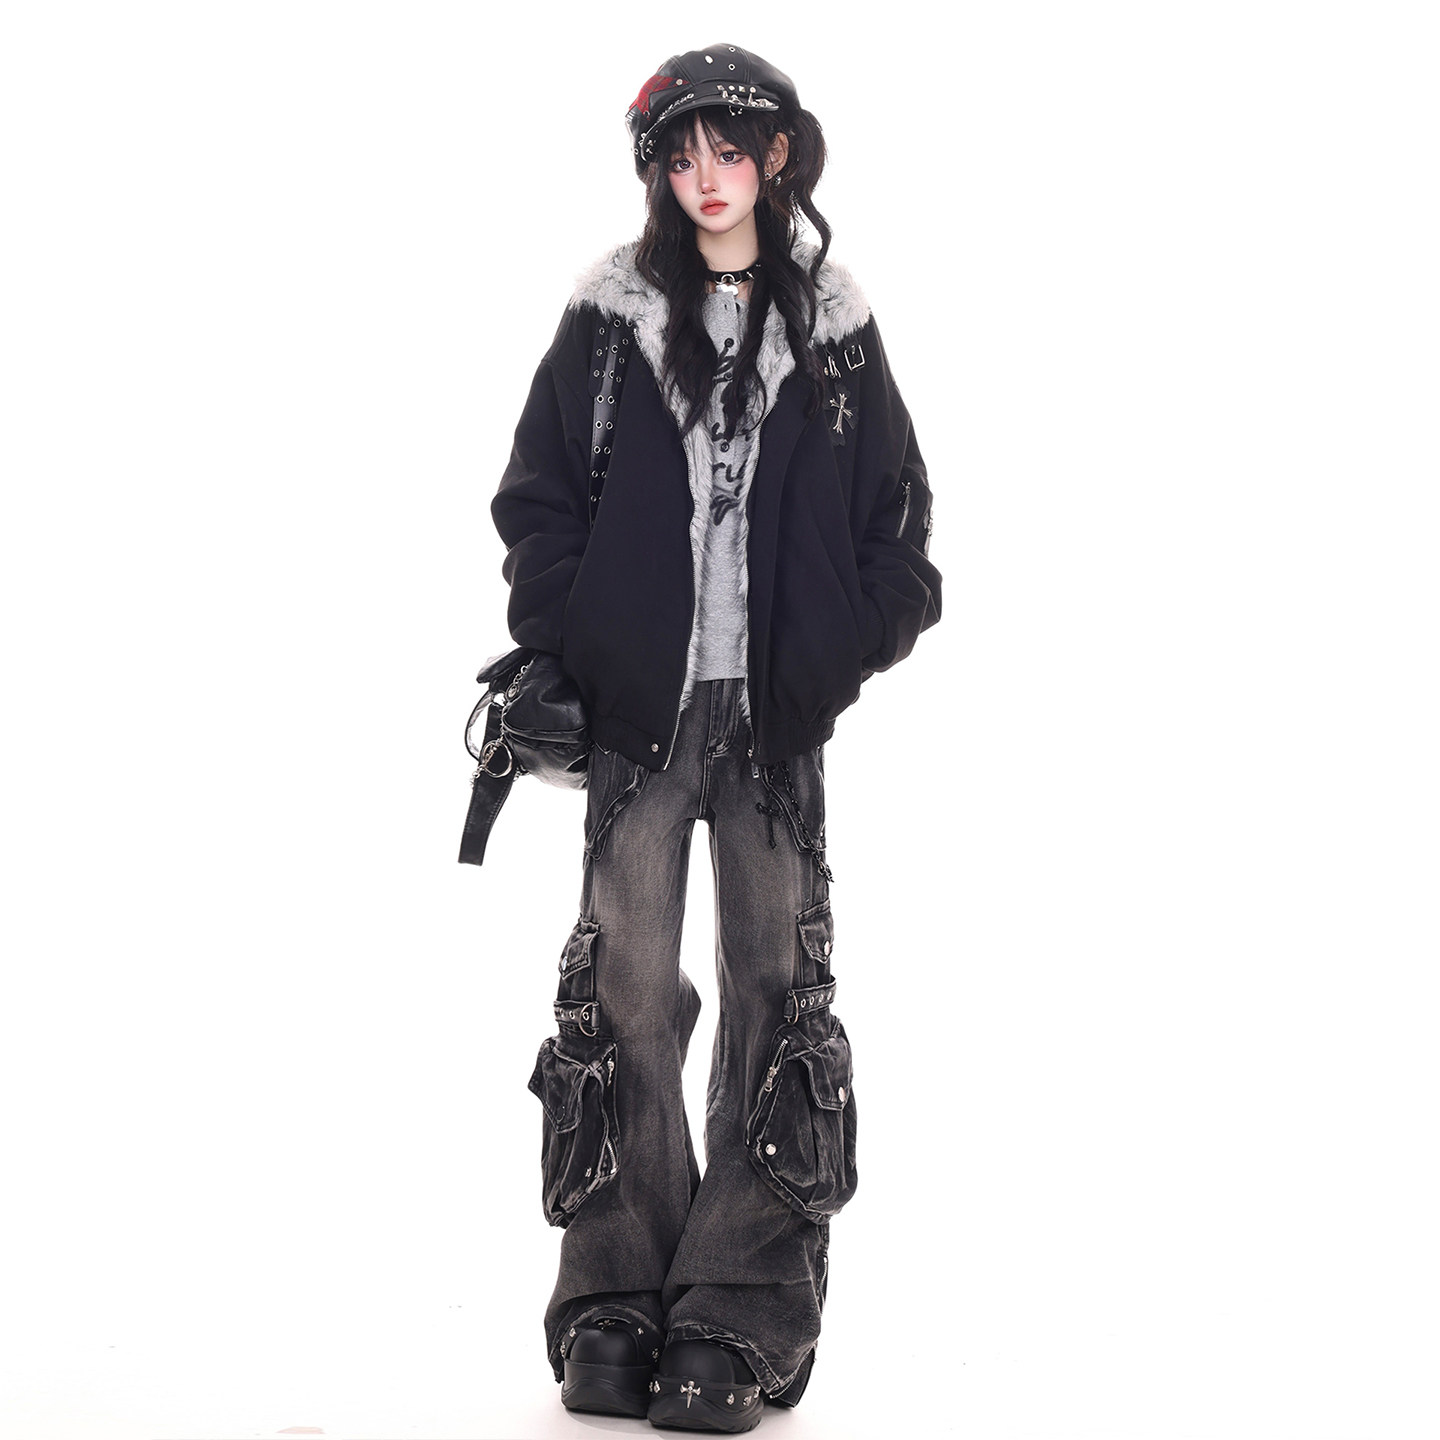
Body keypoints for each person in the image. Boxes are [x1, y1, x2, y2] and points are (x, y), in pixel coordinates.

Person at [490, 43, 941, 1433]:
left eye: (728, 151)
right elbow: (537, 497)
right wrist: (578, 636)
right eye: (680, 156)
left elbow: (899, 517)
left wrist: (838, 645)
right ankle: (617, 1301)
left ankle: (739, 1308)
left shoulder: (836, 322)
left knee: (775, 997)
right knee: (619, 994)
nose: (705, 178)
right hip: (640, 720)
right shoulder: (610, 313)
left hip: (773, 724)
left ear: (775, 158)